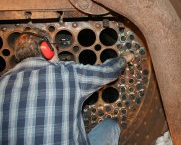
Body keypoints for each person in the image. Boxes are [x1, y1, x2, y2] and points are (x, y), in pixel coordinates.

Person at [0, 28, 134, 145]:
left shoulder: (2, 82)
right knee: (110, 125)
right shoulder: (67, 73)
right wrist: (126, 57)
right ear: (47, 49)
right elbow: (109, 71)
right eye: (54, 46)